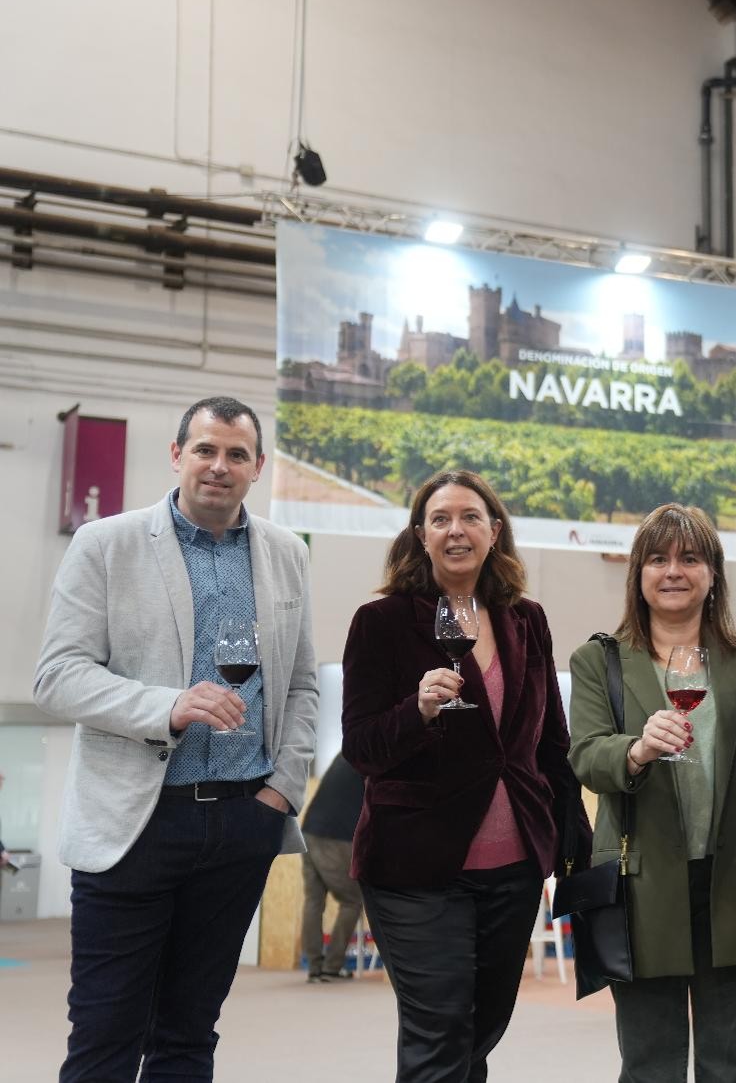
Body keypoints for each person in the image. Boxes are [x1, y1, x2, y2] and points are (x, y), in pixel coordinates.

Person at [34, 395, 319, 1081]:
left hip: (242, 823)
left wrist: (281, 790)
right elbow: (57, 677)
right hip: (134, 824)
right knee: (105, 1037)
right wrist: (167, 706)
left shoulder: (286, 553)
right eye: (205, 449)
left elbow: (302, 685)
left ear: (258, 467)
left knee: (189, 1036)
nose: (218, 466)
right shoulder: (105, 544)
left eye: (236, 454)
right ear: (177, 455)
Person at [340, 468, 590, 1081]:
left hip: (513, 869)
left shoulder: (526, 619)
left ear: (494, 531)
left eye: (471, 517)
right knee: (439, 1033)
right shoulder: (382, 622)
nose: (457, 530)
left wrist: (568, 837)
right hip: (417, 868)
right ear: (419, 535)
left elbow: (549, 743)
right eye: (441, 519)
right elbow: (362, 747)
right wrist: (416, 711)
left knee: (478, 1034)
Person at [568, 503, 736, 1082]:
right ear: (637, 574)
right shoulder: (600, 661)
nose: (674, 571)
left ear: (713, 574)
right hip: (639, 888)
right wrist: (636, 750)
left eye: (690, 558)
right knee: (650, 1064)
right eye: (658, 559)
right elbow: (586, 756)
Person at [298, 751, 366, 983]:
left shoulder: (346, 752)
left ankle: (314, 967)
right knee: (353, 901)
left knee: (314, 901)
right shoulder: (371, 754)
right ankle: (331, 967)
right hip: (335, 836)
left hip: (308, 830)